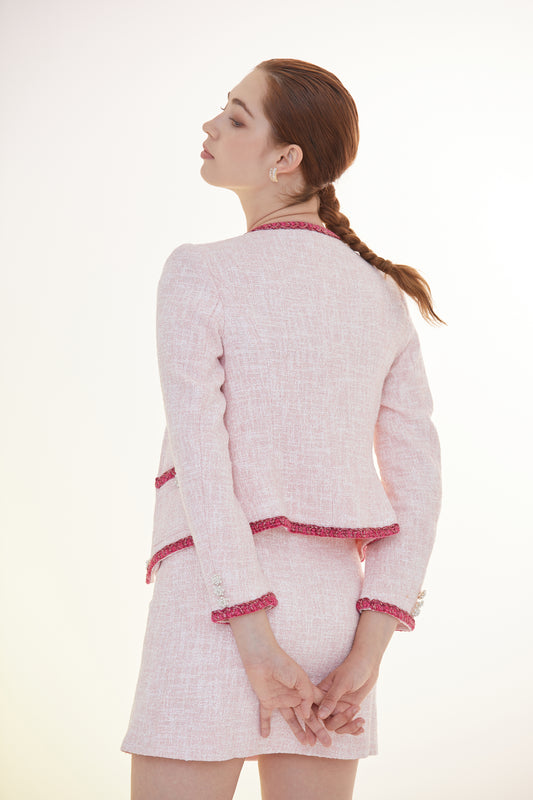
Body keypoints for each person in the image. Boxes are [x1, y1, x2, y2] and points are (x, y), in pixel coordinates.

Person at [120, 58, 443, 800]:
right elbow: (418, 488)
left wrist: (253, 637)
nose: (209, 126)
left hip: (215, 605)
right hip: (334, 617)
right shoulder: (381, 296)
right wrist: (368, 650)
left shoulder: (199, 272)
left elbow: (206, 463)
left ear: (286, 157)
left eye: (235, 116)